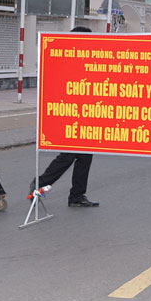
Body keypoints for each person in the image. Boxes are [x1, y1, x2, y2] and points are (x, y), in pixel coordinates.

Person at [30, 25, 100, 208]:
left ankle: (77, 195)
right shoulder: (65, 59)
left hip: (85, 115)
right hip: (68, 115)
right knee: (68, 155)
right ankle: (40, 184)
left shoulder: (88, 60)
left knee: (85, 156)